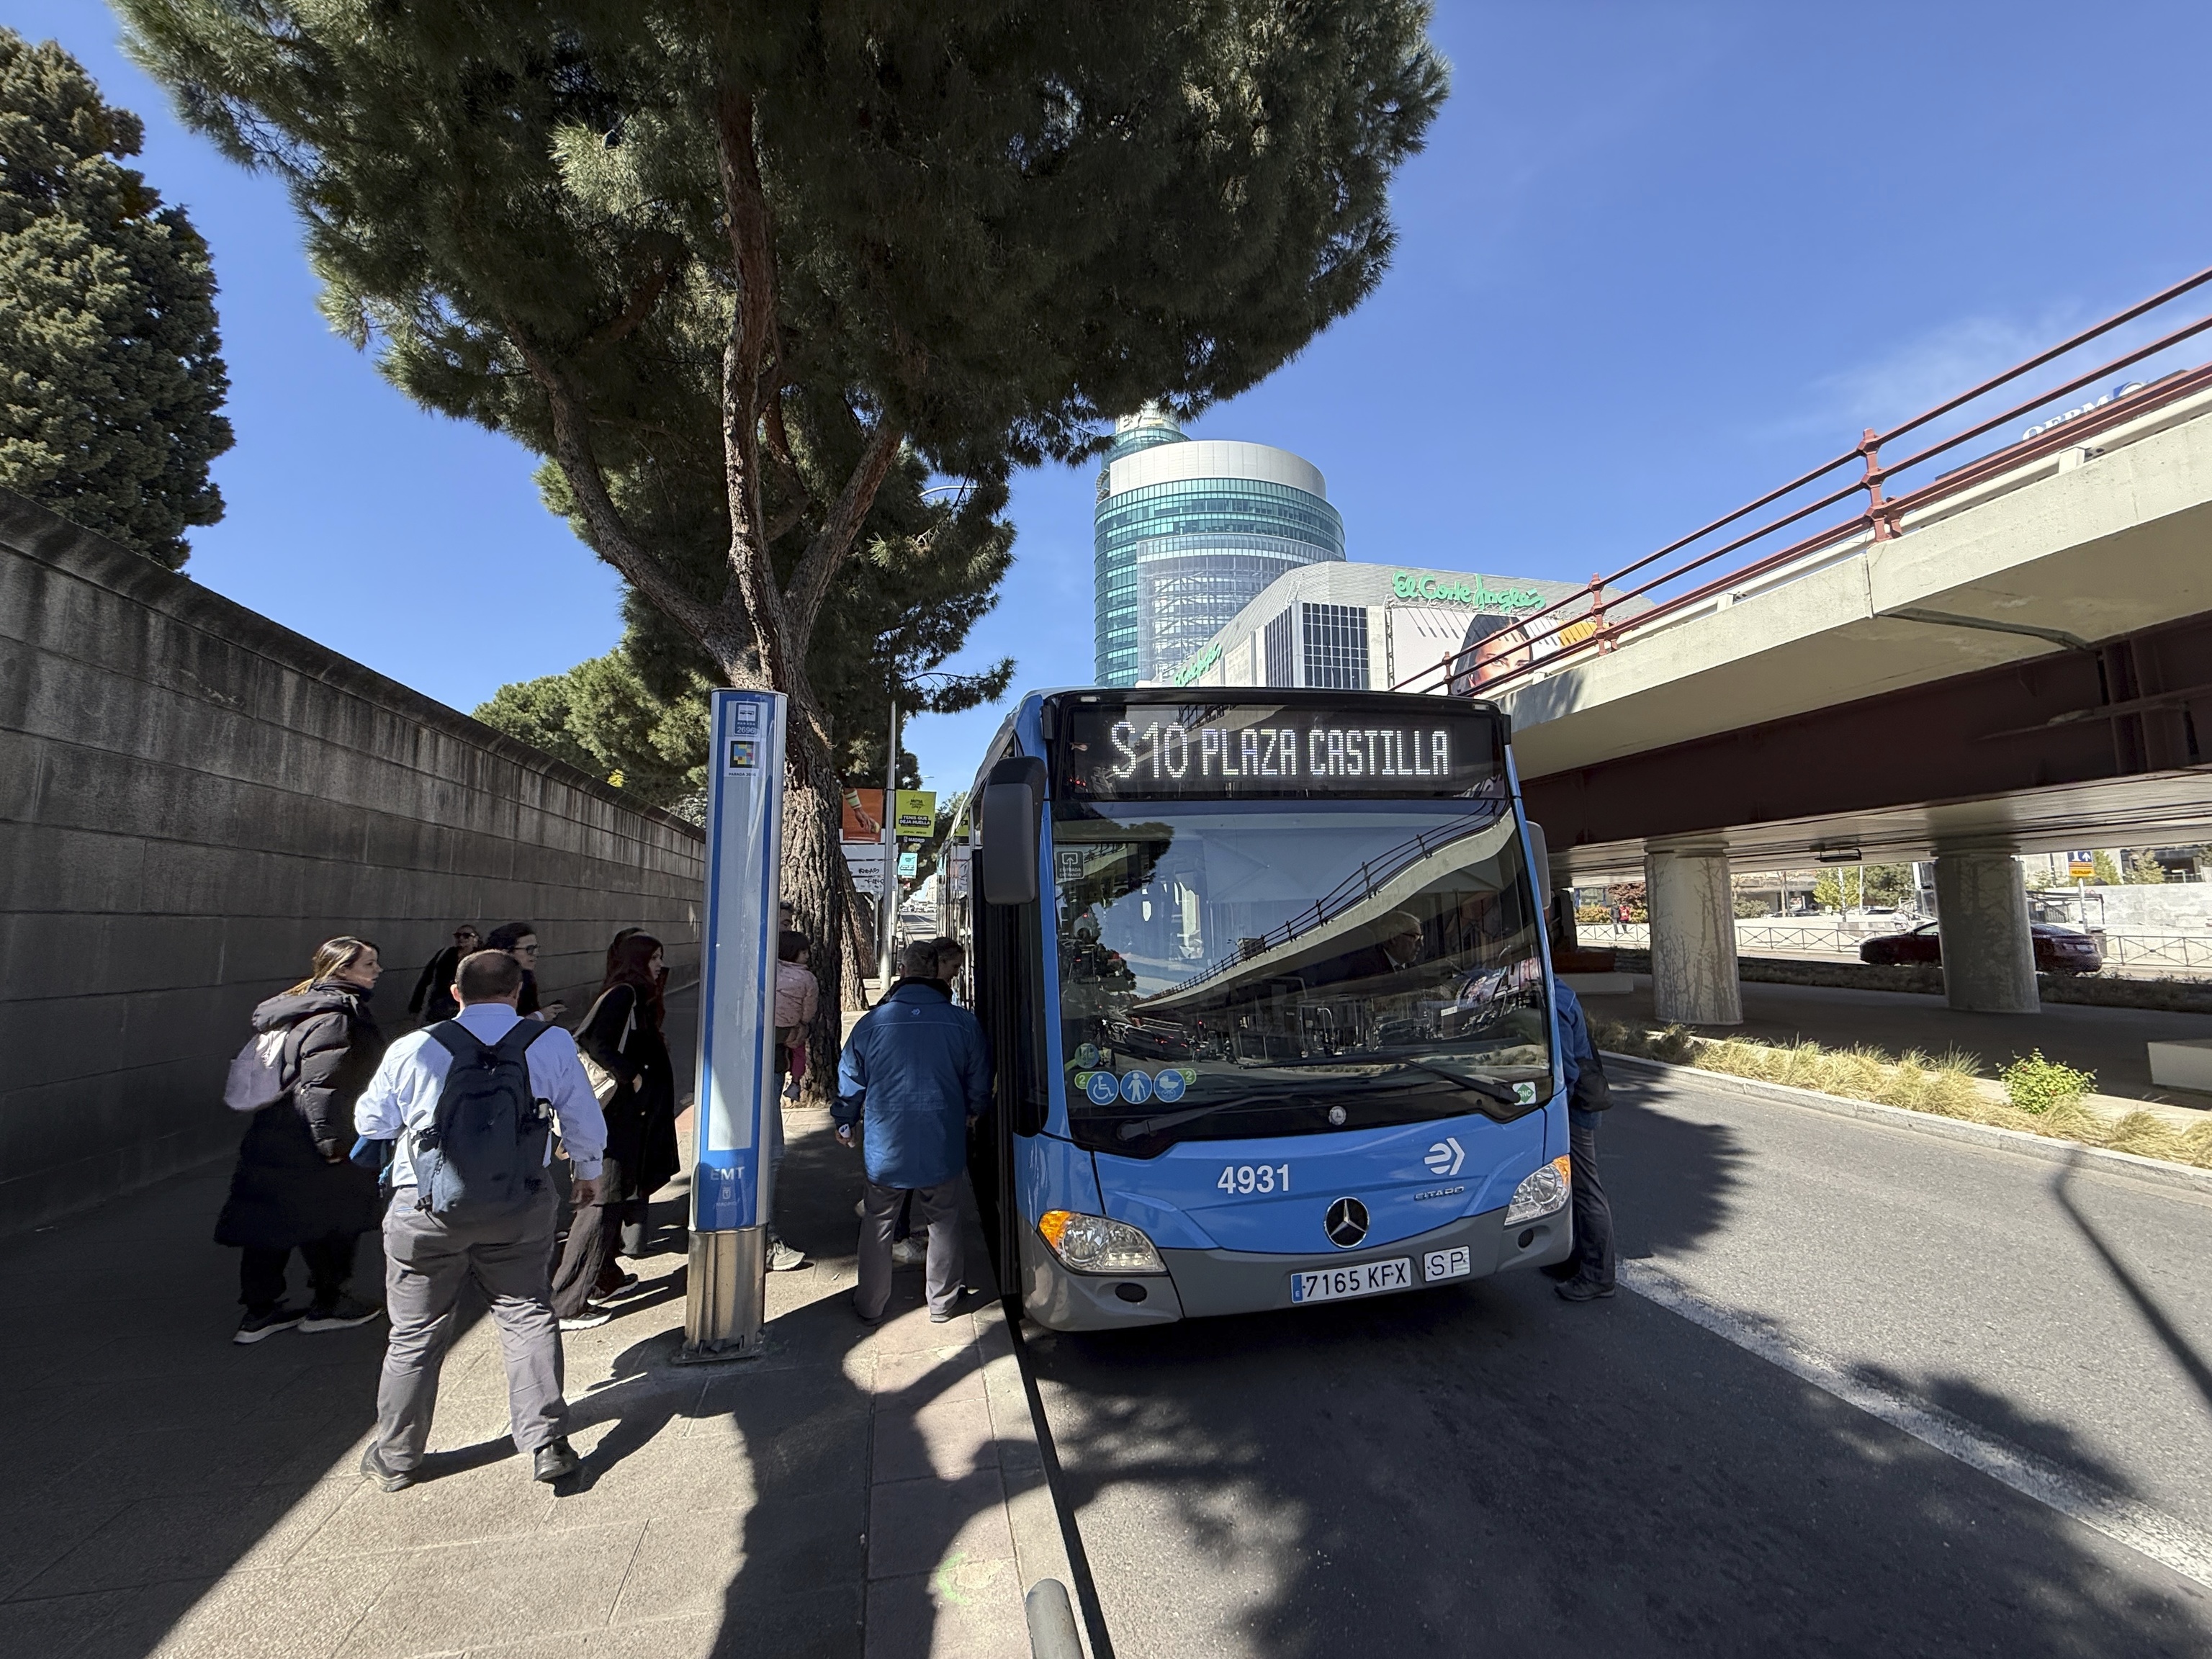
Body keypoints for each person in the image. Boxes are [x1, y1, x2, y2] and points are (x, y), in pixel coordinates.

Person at [352, 948, 608, 1489]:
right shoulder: (549, 1042)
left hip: (424, 1207)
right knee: (526, 1312)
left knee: (415, 1332)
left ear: (455, 992)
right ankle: (546, 1442)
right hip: (519, 1201)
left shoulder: (416, 1046)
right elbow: (581, 1113)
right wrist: (587, 1170)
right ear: (518, 992)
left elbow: (371, 1119)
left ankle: (397, 1456)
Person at [215, 938, 390, 1343]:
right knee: (333, 1220)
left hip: (274, 1130)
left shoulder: (299, 1005)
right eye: (370, 964)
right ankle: (329, 1302)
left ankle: (260, 1313)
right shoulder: (336, 1017)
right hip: (313, 1134)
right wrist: (331, 1143)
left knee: (268, 1223)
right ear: (343, 970)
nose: (378, 970)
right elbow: (322, 1085)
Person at [835, 939, 992, 1324]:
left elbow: (851, 1076)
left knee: (878, 1220)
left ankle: (871, 1303)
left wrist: (845, 1118)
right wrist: (973, 1112)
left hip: (886, 1143)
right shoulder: (963, 1023)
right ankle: (942, 1301)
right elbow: (979, 1081)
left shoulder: (873, 1023)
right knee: (944, 1218)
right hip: (942, 1135)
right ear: (937, 970)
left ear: (902, 971)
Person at [553, 933, 682, 1327]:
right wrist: (632, 1076)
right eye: (655, 957)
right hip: (617, 1117)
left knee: (616, 1196)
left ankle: (604, 1276)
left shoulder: (634, 995)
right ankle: (567, 1300)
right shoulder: (623, 994)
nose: (660, 964)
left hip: (630, 1117)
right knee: (602, 1202)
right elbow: (592, 1039)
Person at [1546, 981, 1616, 1301]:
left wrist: (1553, 1114)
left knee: (1586, 1189)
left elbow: (1566, 1071)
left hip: (1574, 1110)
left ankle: (1598, 1276)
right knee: (1572, 1185)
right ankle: (1573, 1258)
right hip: (1580, 1104)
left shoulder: (1555, 1000)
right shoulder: (1562, 991)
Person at [485, 922, 566, 1022]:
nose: (535, 954)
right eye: (529, 949)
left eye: (536, 948)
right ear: (506, 952)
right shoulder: (488, 981)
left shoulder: (526, 976)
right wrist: (539, 1016)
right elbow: (499, 1026)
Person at [774, 930, 820, 1097]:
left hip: (771, 1023)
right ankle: (795, 1083)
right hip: (792, 1024)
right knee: (799, 1052)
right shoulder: (808, 978)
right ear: (792, 952)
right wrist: (804, 1022)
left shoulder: (773, 970)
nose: (808, 956)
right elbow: (809, 1006)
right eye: (804, 952)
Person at [407, 925, 480, 1027]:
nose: (461, 939)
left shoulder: (479, 958)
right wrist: (415, 1007)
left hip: (465, 1008)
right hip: (438, 1008)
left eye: (466, 936)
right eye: (458, 936)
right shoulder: (445, 954)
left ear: (475, 939)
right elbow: (425, 979)